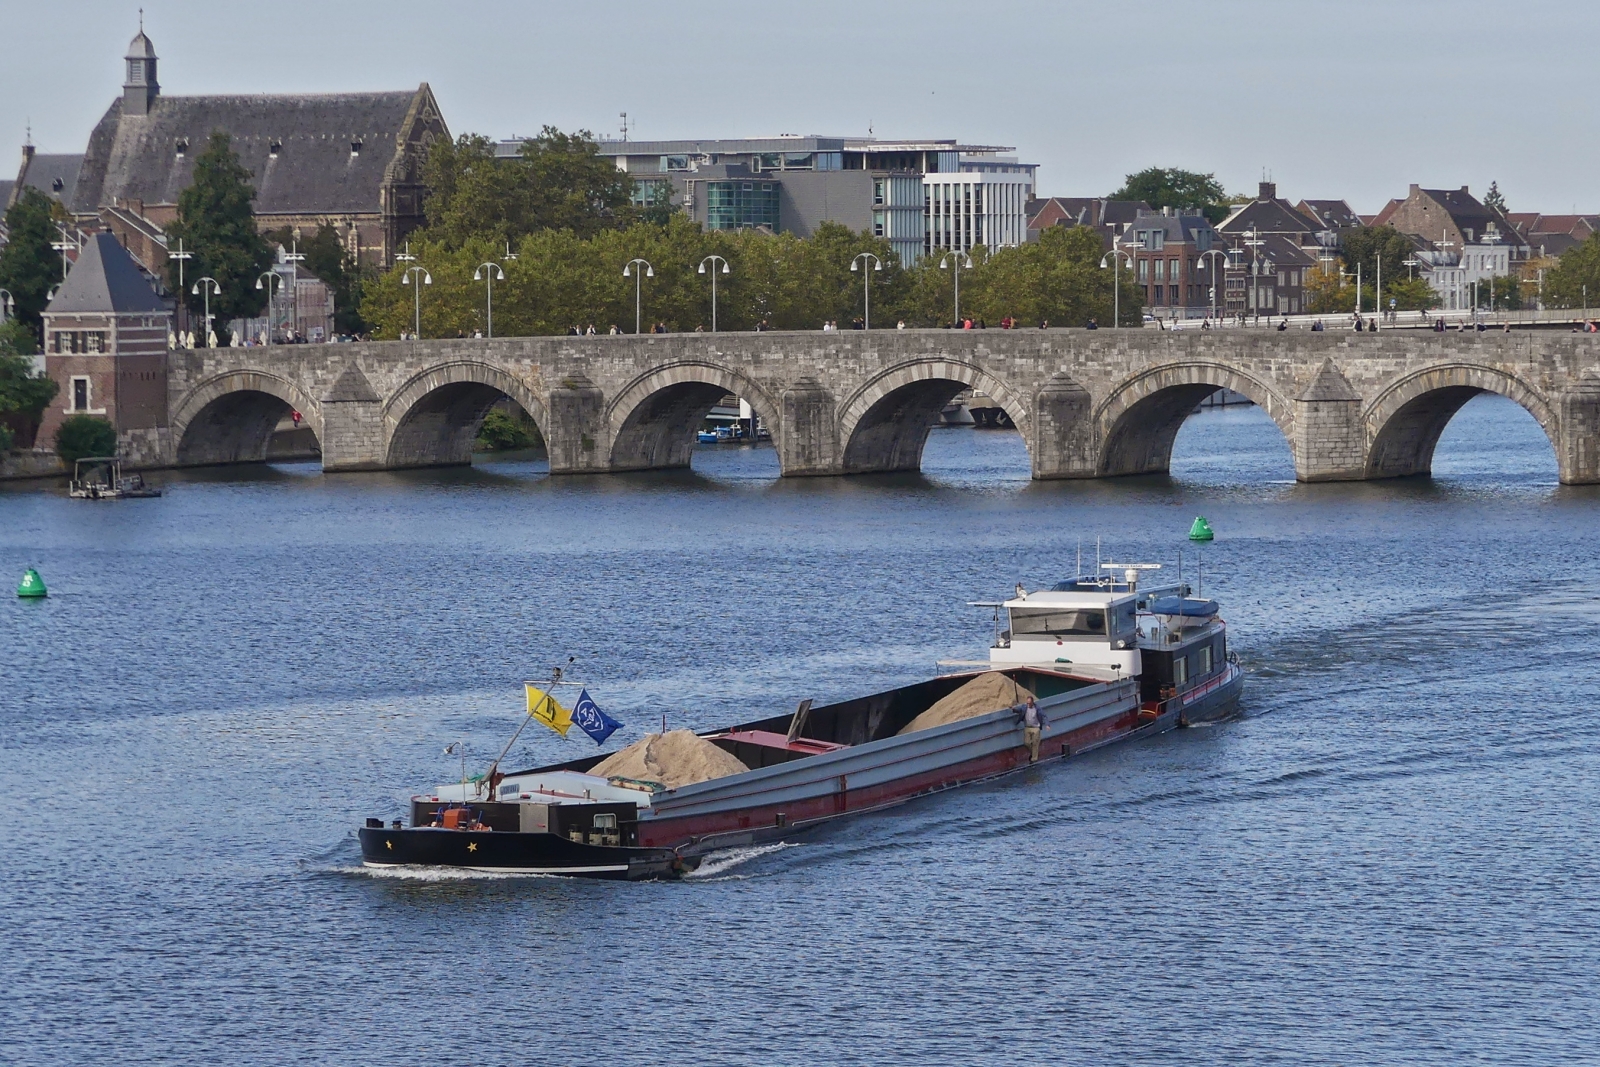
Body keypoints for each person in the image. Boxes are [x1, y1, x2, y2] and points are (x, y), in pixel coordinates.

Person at [1014, 695, 1046, 763]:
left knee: (1035, 743)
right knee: (1027, 743)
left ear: (1032, 702)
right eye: (1027, 703)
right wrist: (1013, 709)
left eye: (1029, 703)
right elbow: (1019, 710)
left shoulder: (1037, 708)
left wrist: (1047, 724)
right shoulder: (1024, 707)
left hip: (1036, 728)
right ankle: (1034, 753)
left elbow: (1044, 716)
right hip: (1027, 727)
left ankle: (1034, 759)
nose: (1028, 704)